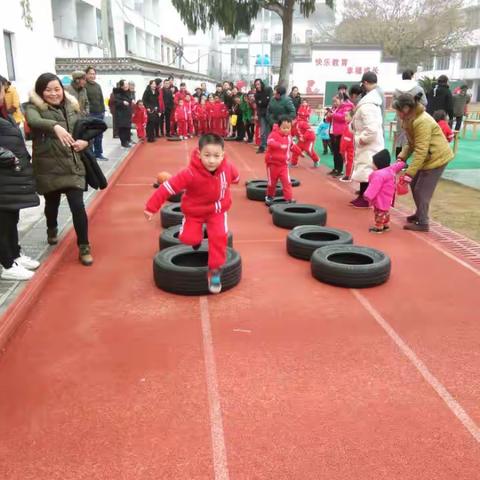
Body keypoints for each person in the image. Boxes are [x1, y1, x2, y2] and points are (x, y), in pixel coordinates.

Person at [144, 133, 240, 294]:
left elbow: (236, 177)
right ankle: (189, 233)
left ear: (223, 155)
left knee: (219, 237)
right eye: (207, 155)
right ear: (199, 153)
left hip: (217, 211)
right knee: (190, 239)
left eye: (216, 156)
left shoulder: (228, 168)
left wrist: (235, 179)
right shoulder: (189, 173)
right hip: (194, 212)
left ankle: (215, 271)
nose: (211, 160)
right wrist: (151, 207)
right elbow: (168, 187)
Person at [24, 72, 93, 265]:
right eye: (48, 90)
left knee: (78, 207)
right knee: (51, 203)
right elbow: (33, 121)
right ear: (40, 91)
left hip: (72, 163)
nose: (54, 93)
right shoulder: (33, 107)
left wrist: (85, 141)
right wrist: (55, 126)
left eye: (57, 89)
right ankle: (51, 227)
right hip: (49, 166)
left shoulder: (72, 105)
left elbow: (84, 127)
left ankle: (84, 246)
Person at [394, 93, 454, 231]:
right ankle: (420, 214)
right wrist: (401, 157)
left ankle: (423, 222)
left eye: (397, 110)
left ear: (406, 108)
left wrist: (408, 174)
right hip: (428, 156)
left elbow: (421, 150)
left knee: (422, 190)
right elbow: (411, 143)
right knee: (415, 185)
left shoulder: (422, 121)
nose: (396, 113)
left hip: (437, 157)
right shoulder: (409, 119)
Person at [0, 75, 40, 281]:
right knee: (3, 221)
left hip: (10, 176)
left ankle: (15, 254)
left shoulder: (4, 114)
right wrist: (5, 156)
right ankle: (7, 264)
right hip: (3, 175)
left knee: (12, 217)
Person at [350, 72, 385, 208]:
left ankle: (366, 198)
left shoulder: (368, 106)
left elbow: (371, 129)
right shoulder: (370, 102)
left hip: (369, 144)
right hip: (367, 142)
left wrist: (360, 139)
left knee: (366, 169)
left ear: (365, 83)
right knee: (364, 168)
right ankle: (363, 195)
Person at [364, 150, 406, 234]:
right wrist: (401, 162)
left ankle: (379, 227)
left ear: (379, 164)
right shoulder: (390, 169)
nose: (372, 164)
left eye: (373, 163)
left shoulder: (378, 175)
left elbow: (374, 187)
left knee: (379, 212)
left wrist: (367, 195)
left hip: (380, 198)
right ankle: (386, 225)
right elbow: (397, 166)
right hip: (388, 197)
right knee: (385, 211)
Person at [264, 116, 302, 206]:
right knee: (272, 183)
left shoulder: (289, 137)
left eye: (288, 128)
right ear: (279, 127)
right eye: (284, 128)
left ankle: (288, 198)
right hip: (272, 164)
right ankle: (269, 196)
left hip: (283, 165)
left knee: (287, 182)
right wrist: (279, 145)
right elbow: (269, 142)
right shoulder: (274, 134)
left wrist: (300, 152)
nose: (286, 130)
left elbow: (292, 146)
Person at [393, 69, 427, 156]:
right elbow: (425, 102)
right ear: (411, 77)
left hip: (400, 116)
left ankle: (399, 160)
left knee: (400, 137)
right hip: (414, 116)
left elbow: (394, 104)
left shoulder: (397, 89)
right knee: (413, 137)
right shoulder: (418, 88)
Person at [327, 93, 354, 177]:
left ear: (341, 100)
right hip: (332, 131)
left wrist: (333, 114)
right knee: (335, 151)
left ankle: (340, 170)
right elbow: (329, 119)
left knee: (340, 152)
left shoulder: (346, 107)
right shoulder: (335, 108)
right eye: (333, 101)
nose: (334, 103)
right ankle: (335, 168)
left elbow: (343, 118)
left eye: (336, 101)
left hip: (340, 132)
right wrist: (328, 115)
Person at [85, 66, 107, 160]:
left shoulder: (98, 86)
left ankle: (99, 153)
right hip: (90, 114)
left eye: (94, 74)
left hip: (99, 113)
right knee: (91, 136)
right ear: (86, 74)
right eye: (90, 73)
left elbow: (101, 99)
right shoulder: (84, 86)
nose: (92, 75)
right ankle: (91, 155)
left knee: (99, 135)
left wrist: (103, 111)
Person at [254, 78, 273, 153]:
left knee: (268, 131)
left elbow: (271, 101)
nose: (257, 86)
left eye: (258, 84)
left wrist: (269, 110)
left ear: (261, 83)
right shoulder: (256, 95)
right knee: (262, 131)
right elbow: (258, 106)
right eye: (256, 85)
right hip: (262, 114)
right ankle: (262, 146)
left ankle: (269, 146)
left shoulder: (268, 89)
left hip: (270, 113)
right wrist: (257, 114)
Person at [113, 80, 133, 148]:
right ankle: (123, 142)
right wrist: (122, 102)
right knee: (122, 128)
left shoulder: (128, 92)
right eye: (125, 84)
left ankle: (128, 140)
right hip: (121, 114)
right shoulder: (117, 93)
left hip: (127, 113)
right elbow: (115, 102)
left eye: (127, 84)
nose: (127, 85)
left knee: (127, 127)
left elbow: (129, 100)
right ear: (122, 86)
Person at [339, 110, 354, 182]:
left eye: (347, 116)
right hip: (347, 148)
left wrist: (342, 149)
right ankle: (348, 175)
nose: (345, 117)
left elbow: (346, 139)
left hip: (348, 148)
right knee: (348, 161)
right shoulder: (348, 125)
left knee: (349, 161)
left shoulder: (350, 126)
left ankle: (348, 176)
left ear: (352, 117)